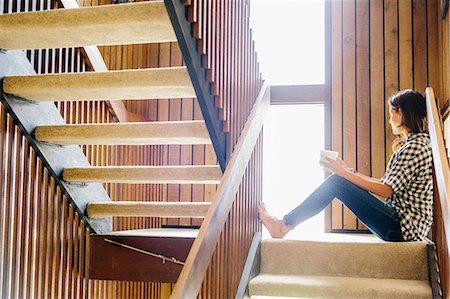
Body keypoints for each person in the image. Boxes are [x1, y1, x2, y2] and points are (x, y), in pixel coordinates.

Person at [259, 89, 433, 242]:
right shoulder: (417, 143)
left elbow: (386, 190)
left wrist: (343, 174)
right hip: (402, 225)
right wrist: (348, 172)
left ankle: (283, 226)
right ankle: (284, 224)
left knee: (336, 183)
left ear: (402, 113)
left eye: (391, 114)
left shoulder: (415, 146)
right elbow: (386, 183)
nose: (389, 120)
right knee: (339, 180)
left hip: (400, 228)